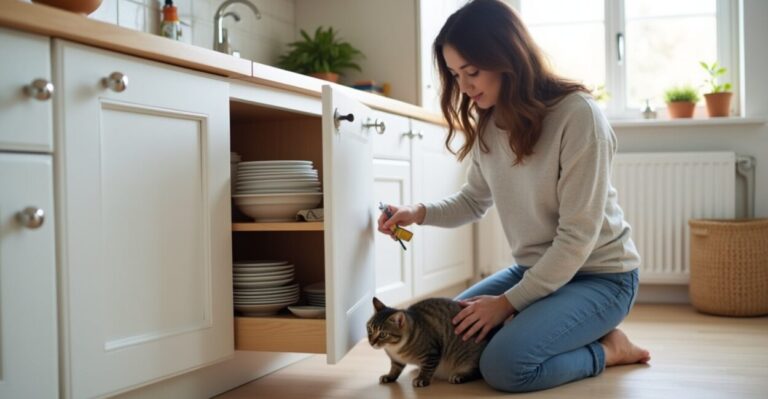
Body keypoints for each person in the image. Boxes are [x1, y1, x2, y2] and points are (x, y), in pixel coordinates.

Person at [377, 0, 650, 393]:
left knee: (504, 367)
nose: (465, 86)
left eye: (472, 71)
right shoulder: (490, 121)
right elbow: (473, 200)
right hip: (535, 271)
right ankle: (549, 327)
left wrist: (507, 304)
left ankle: (609, 350)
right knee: (450, 335)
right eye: (456, 75)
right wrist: (415, 213)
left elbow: (576, 238)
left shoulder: (578, 117)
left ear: (509, 57)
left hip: (602, 279)